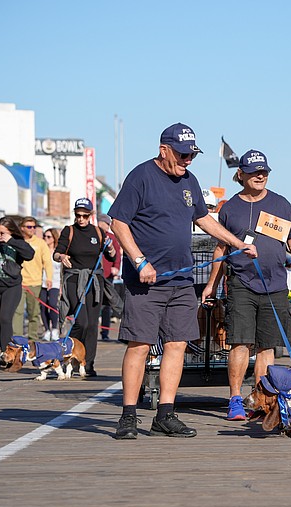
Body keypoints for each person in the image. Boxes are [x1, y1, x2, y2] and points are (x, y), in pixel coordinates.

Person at [110, 123, 256, 439]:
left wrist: (236, 243)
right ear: (164, 149)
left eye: (192, 154)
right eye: (182, 153)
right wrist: (139, 261)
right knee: (140, 345)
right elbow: (118, 222)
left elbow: (203, 218)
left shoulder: (189, 180)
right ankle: (128, 416)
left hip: (181, 280)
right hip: (146, 281)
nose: (188, 160)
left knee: (177, 345)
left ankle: (165, 414)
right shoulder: (141, 177)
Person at [202, 149, 291, 421]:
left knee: (267, 346)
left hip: (274, 285)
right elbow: (220, 248)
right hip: (241, 284)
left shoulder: (281, 204)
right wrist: (211, 284)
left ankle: (262, 398)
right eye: (254, 172)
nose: (260, 175)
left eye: (264, 171)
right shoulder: (230, 208)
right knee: (240, 342)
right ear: (241, 175)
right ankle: (236, 399)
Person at [54, 199, 116, 377]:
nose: (80, 219)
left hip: (94, 282)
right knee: (81, 322)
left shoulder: (98, 231)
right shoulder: (69, 231)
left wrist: (110, 249)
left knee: (91, 326)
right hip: (74, 280)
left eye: (84, 215)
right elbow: (57, 252)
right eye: (78, 215)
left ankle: (87, 364)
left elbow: (110, 256)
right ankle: (70, 354)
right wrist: (61, 257)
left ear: (91, 215)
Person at [0, 217, 35, 360]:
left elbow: (29, 254)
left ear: (11, 232)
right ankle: (4, 351)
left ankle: (7, 354)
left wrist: (11, 241)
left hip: (11, 286)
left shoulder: (17, 243)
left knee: (5, 318)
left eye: (3, 233)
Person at [13, 217, 52, 340]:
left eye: (34, 227)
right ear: (22, 228)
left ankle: (32, 339)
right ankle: (17, 339)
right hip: (19, 283)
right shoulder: (16, 241)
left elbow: (47, 262)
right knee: (17, 312)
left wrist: (49, 278)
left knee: (34, 313)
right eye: (29, 227)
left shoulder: (40, 243)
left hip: (35, 283)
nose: (32, 229)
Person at [97, 214, 122, 342]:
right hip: (94, 275)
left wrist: (116, 267)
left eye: (104, 223)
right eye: (100, 222)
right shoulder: (94, 236)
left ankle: (105, 332)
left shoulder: (112, 238)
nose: (101, 225)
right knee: (94, 304)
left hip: (107, 276)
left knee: (107, 305)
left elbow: (117, 254)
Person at [40, 227, 61, 341]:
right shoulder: (42, 250)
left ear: (54, 238)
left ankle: (55, 329)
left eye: (48, 237)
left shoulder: (58, 252)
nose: (45, 238)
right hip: (41, 281)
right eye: (44, 236)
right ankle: (47, 329)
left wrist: (62, 285)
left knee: (52, 304)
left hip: (55, 282)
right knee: (43, 306)